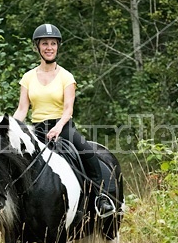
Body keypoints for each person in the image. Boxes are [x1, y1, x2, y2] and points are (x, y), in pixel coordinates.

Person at [13, 23, 116, 217]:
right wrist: (11, 127)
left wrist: (59, 127)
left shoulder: (66, 77)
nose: (49, 47)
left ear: (58, 46)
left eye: (53, 43)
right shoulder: (27, 78)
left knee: (87, 152)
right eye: (45, 43)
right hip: (36, 130)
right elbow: (22, 109)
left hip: (63, 127)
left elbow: (68, 109)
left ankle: (100, 197)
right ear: (37, 47)